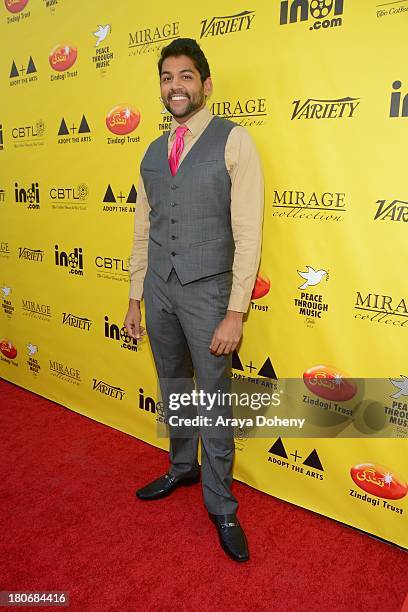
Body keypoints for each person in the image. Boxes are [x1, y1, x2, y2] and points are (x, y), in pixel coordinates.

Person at [124, 38, 264, 562]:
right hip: (158, 288)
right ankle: (182, 467)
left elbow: (249, 232)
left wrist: (235, 311)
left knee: (214, 400)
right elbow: (144, 230)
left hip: (209, 292)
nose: (175, 86)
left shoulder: (234, 141)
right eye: (166, 77)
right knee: (173, 385)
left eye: (185, 77)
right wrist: (136, 298)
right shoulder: (150, 154)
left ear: (205, 84)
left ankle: (222, 503)